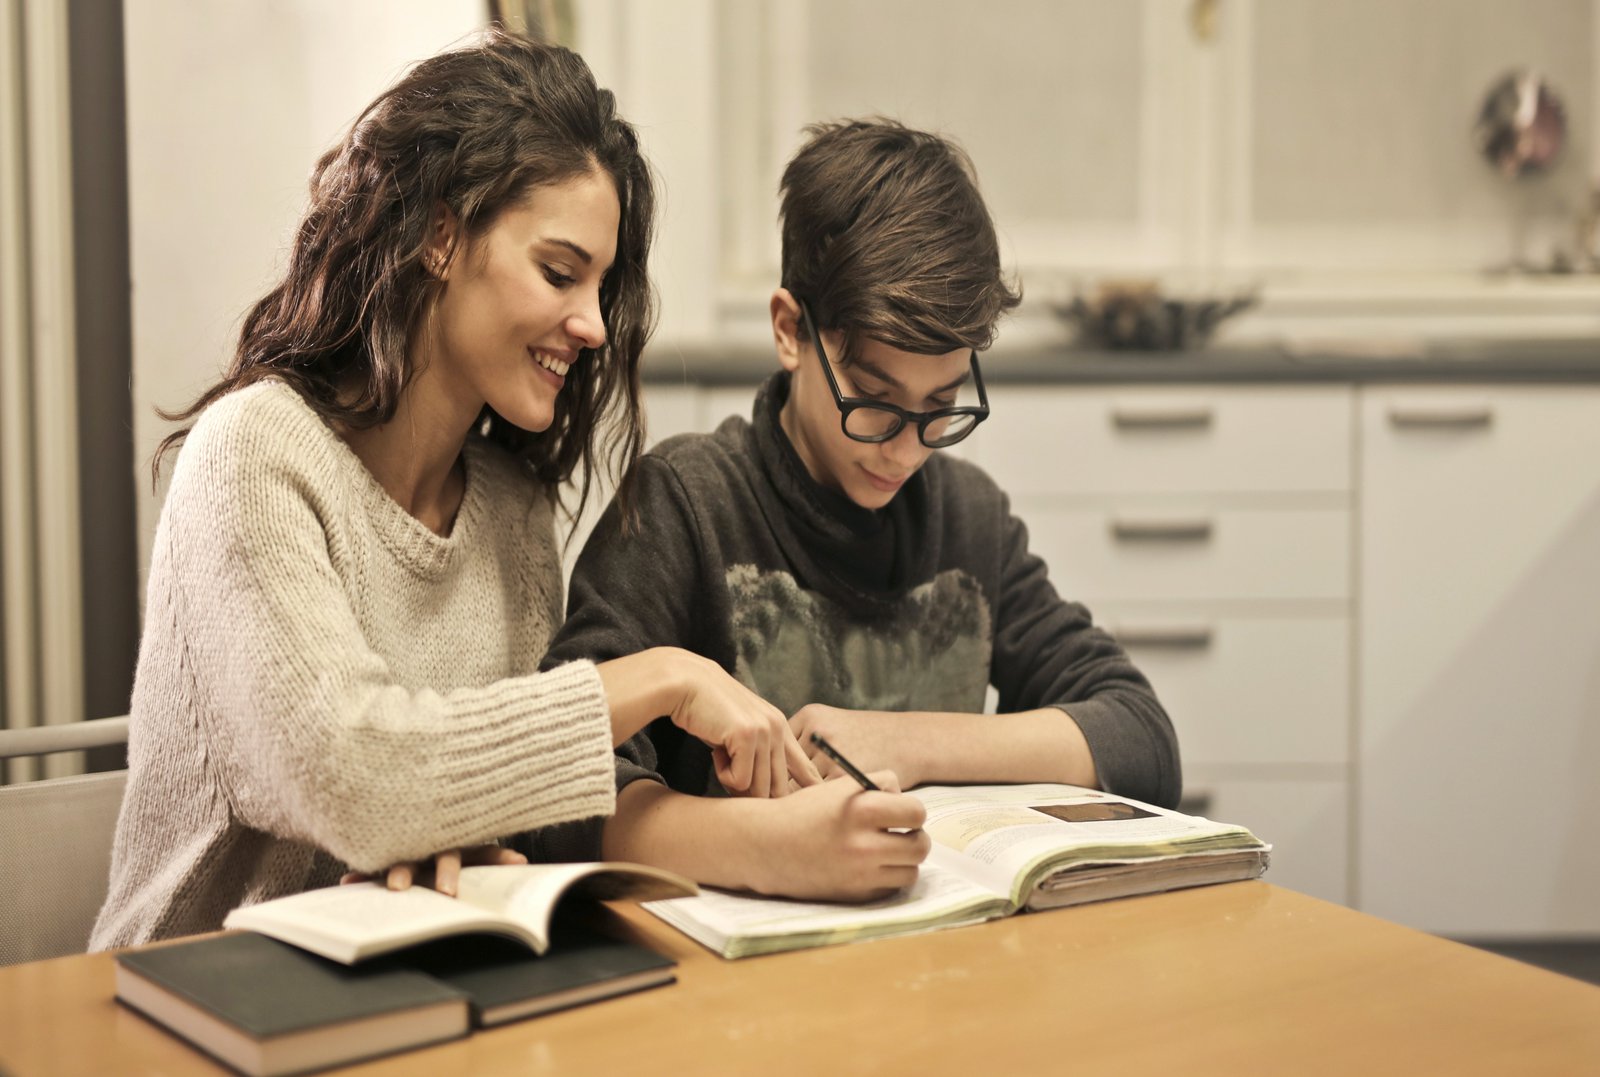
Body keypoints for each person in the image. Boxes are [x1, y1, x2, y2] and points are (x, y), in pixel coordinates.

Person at [91, 31, 816, 951]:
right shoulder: (254, 458)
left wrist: (447, 842)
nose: (592, 324)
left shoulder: (513, 515)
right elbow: (357, 779)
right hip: (185, 1007)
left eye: (601, 284)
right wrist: (662, 676)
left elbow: (461, 818)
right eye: (559, 272)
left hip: (409, 997)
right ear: (440, 233)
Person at [536, 119, 1180, 902]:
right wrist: (764, 847)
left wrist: (907, 741)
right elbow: (551, 788)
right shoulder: (686, 506)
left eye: (939, 407)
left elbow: (1141, 736)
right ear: (789, 330)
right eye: (873, 403)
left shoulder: (968, 520)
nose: (905, 451)